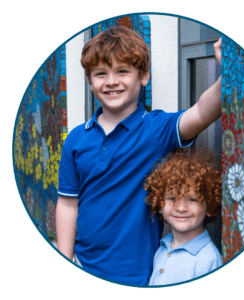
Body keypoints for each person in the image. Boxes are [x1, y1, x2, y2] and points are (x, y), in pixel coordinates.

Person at [55, 26, 222, 285]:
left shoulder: (155, 129)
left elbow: (202, 112)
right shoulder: (76, 139)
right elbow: (67, 203)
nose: (111, 81)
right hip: (84, 265)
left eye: (122, 71)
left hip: (137, 273)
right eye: (101, 74)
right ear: (89, 81)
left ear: (143, 76)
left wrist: (228, 73)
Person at [145, 149, 223, 286]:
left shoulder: (208, 260)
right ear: (160, 202)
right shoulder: (163, 247)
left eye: (192, 200)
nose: (181, 208)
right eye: (172, 198)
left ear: (209, 205)